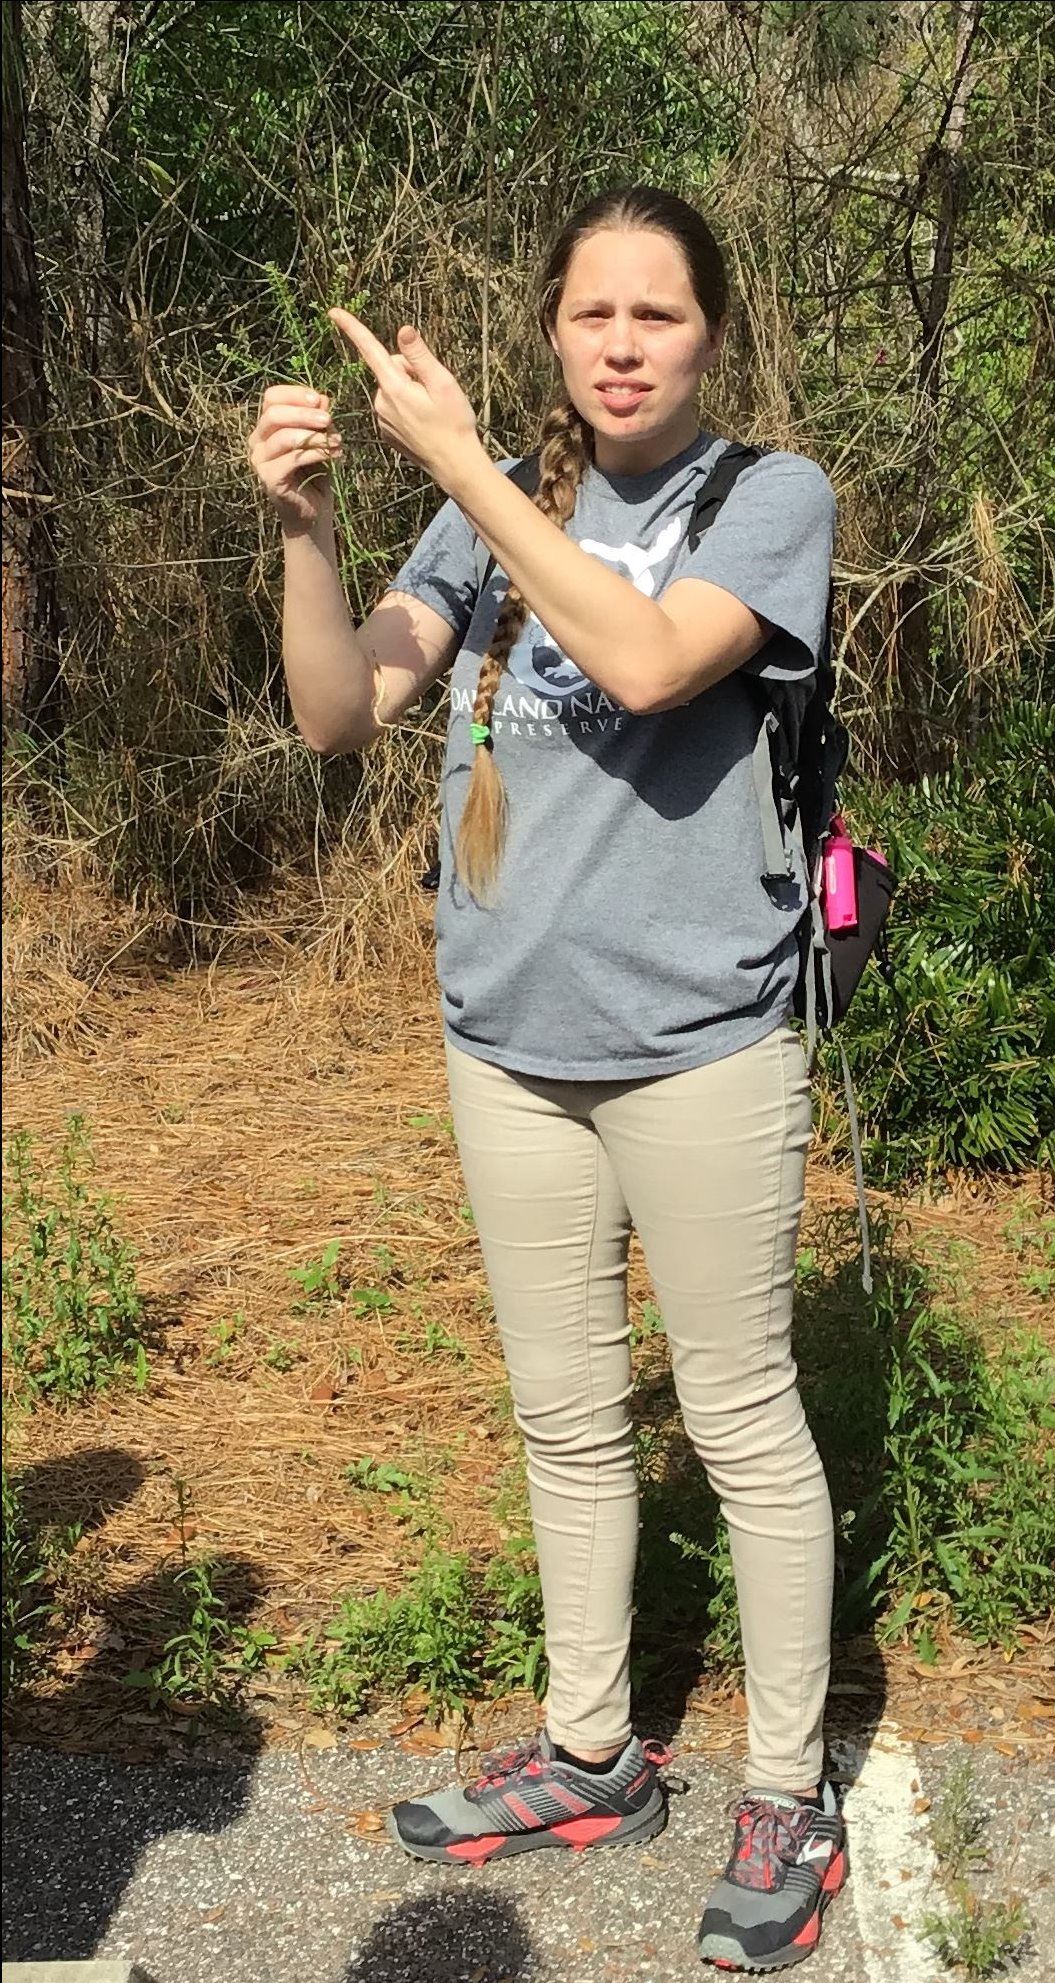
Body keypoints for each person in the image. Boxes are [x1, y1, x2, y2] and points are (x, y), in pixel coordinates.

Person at [248, 184, 849, 1973]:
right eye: (592, 315)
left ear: (711, 337)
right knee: (568, 1415)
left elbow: (653, 657)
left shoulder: (771, 501)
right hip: (507, 1046)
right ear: (553, 333)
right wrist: (314, 523)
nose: (621, 345)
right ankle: (594, 1750)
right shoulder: (478, 510)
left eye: (657, 316)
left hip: (704, 1047)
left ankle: (788, 1790)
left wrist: (468, 475)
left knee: (741, 1421)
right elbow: (339, 710)